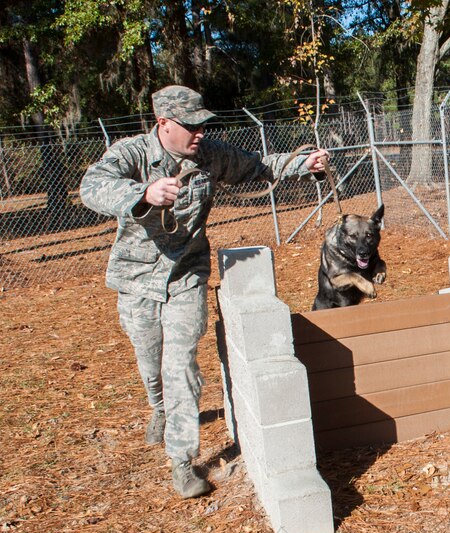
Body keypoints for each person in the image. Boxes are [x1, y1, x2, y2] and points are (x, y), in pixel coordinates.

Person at [80, 85, 328, 499]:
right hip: (136, 279)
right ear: (164, 124)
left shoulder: (210, 155)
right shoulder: (133, 153)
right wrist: (141, 193)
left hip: (187, 275)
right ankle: (158, 408)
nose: (198, 133)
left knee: (181, 365)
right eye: (189, 125)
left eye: (202, 125)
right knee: (149, 360)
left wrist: (304, 163)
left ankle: (182, 461)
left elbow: (259, 166)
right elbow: (92, 185)